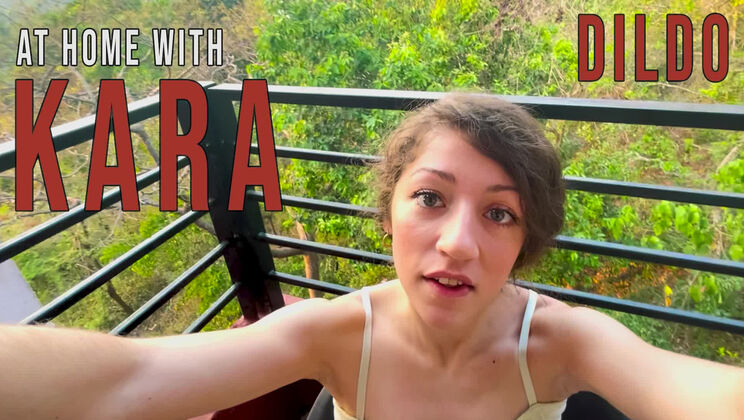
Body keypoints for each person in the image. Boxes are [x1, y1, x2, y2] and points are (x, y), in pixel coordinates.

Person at [1, 94, 743, 420]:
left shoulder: (561, 344)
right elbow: (128, 379)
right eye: (430, 197)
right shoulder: (336, 335)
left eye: (499, 213)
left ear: (525, 244)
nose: (457, 242)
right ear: (388, 212)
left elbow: (688, 392)